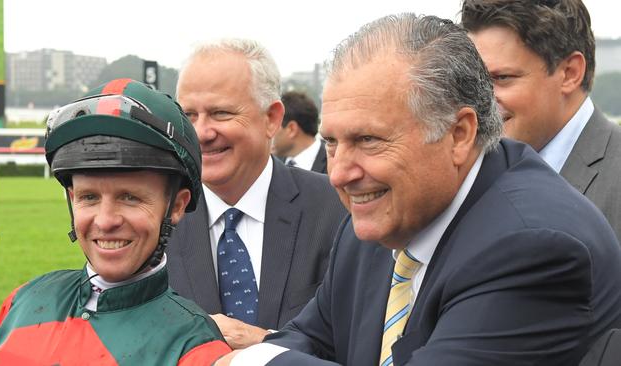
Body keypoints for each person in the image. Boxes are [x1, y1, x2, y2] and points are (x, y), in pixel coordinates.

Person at [215, 13, 621, 366]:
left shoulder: (534, 246)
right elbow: (312, 338)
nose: (339, 174)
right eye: (332, 143)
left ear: (459, 134)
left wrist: (253, 360)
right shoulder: (382, 218)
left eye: (369, 140)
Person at [0, 78, 231, 365]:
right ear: (72, 198)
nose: (105, 220)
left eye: (129, 197)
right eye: (89, 197)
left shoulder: (196, 348)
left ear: (176, 206)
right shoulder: (21, 301)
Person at [167, 39, 347, 349]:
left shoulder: (337, 210)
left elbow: (365, 343)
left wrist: (266, 345)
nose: (201, 133)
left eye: (221, 113)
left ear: (272, 119)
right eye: (189, 116)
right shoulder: (159, 222)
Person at [461, 0, 621, 240]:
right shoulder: (465, 175)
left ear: (570, 73)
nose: (480, 100)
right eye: (475, 81)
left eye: (502, 78)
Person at [272, 91, 327, 173]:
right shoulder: (272, 165)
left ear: (291, 129)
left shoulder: (333, 163)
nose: (268, 133)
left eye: (273, 125)